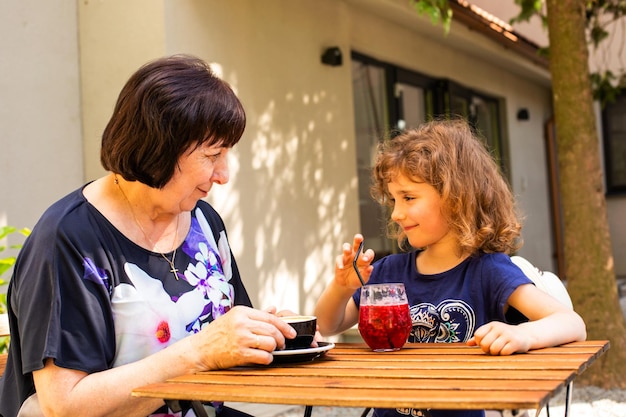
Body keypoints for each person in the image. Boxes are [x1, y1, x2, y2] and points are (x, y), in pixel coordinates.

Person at [0, 54, 299, 417]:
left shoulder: (203, 221)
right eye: (212, 155)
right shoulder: (69, 239)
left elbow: (226, 337)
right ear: (158, 147)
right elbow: (65, 405)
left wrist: (271, 333)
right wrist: (199, 353)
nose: (224, 174)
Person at [314, 119, 587, 417]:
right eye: (393, 199)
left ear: (456, 198)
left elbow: (573, 324)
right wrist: (341, 288)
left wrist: (525, 335)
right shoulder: (388, 272)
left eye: (408, 197)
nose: (395, 212)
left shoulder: (489, 270)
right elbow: (328, 325)